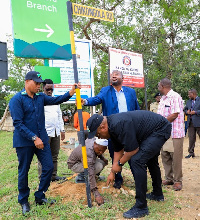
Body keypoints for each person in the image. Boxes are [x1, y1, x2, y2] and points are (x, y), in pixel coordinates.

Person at [9, 71, 80, 215]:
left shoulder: (41, 97)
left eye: (39, 83)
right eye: (36, 83)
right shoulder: (16, 99)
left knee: (48, 167)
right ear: (27, 81)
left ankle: (40, 195)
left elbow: (56, 100)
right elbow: (18, 123)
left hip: (42, 140)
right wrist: (34, 138)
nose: (38, 86)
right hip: (24, 142)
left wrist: (71, 92)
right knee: (24, 171)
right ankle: (23, 200)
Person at [86, 111, 171, 218]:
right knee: (150, 159)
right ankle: (157, 194)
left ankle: (141, 207)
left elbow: (133, 150)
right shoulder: (111, 128)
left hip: (160, 129)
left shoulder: (119, 124)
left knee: (137, 160)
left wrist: (120, 163)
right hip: (149, 132)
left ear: (103, 127)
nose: (100, 137)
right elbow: (118, 150)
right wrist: (113, 171)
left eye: (98, 134)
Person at [82, 70, 140, 189]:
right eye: (112, 75)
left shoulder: (131, 92)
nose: (113, 76)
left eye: (116, 74)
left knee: (133, 154)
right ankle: (118, 179)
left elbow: (136, 108)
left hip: (130, 128)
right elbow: (97, 99)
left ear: (122, 78)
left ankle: (138, 179)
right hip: (113, 129)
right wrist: (86, 101)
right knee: (115, 153)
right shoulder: (106, 91)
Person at [157, 78, 185, 191]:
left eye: (159, 85)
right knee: (165, 155)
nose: (158, 87)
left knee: (176, 157)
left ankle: (178, 180)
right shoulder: (163, 99)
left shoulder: (175, 97)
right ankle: (169, 178)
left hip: (175, 133)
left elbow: (174, 114)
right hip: (164, 133)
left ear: (163, 86)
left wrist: (162, 124)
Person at [38, 79, 66, 182]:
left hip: (56, 132)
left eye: (51, 89)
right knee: (43, 157)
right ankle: (43, 178)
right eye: (47, 89)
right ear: (43, 88)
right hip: (44, 133)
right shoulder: (40, 100)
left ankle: (53, 176)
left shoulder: (55, 101)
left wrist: (62, 130)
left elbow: (59, 116)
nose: (50, 91)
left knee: (55, 155)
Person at [67, 138, 108, 205]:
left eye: (103, 151)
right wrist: (96, 193)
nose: (101, 152)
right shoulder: (89, 153)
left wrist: (103, 158)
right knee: (98, 166)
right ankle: (81, 178)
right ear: (95, 144)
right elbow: (90, 172)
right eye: (100, 150)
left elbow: (99, 151)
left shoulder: (94, 141)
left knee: (102, 162)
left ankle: (93, 178)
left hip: (82, 160)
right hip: (75, 164)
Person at [184, 89, 200, 158]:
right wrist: (187, 112)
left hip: (199, 122)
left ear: (193, 93)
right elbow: (184, 109)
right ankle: (191, 153)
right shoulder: (188, 102)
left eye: (189, 94)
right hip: (190, 123)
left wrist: (195, 112)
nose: (188, 95)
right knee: (191, 138)